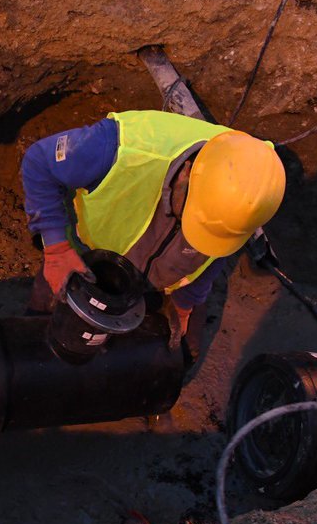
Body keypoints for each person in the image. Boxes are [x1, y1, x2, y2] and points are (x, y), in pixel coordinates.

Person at [21, 110, 286, 362]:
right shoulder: (121, 148)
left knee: (183, 351)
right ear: (187, 174)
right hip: (87, 252)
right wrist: (56, 248)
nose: (193, 234)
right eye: (195, 221)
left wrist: (185, 304)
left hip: (151, 282)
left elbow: (214, 254)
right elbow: (39, 162)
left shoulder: (248, 195)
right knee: (42, 322)